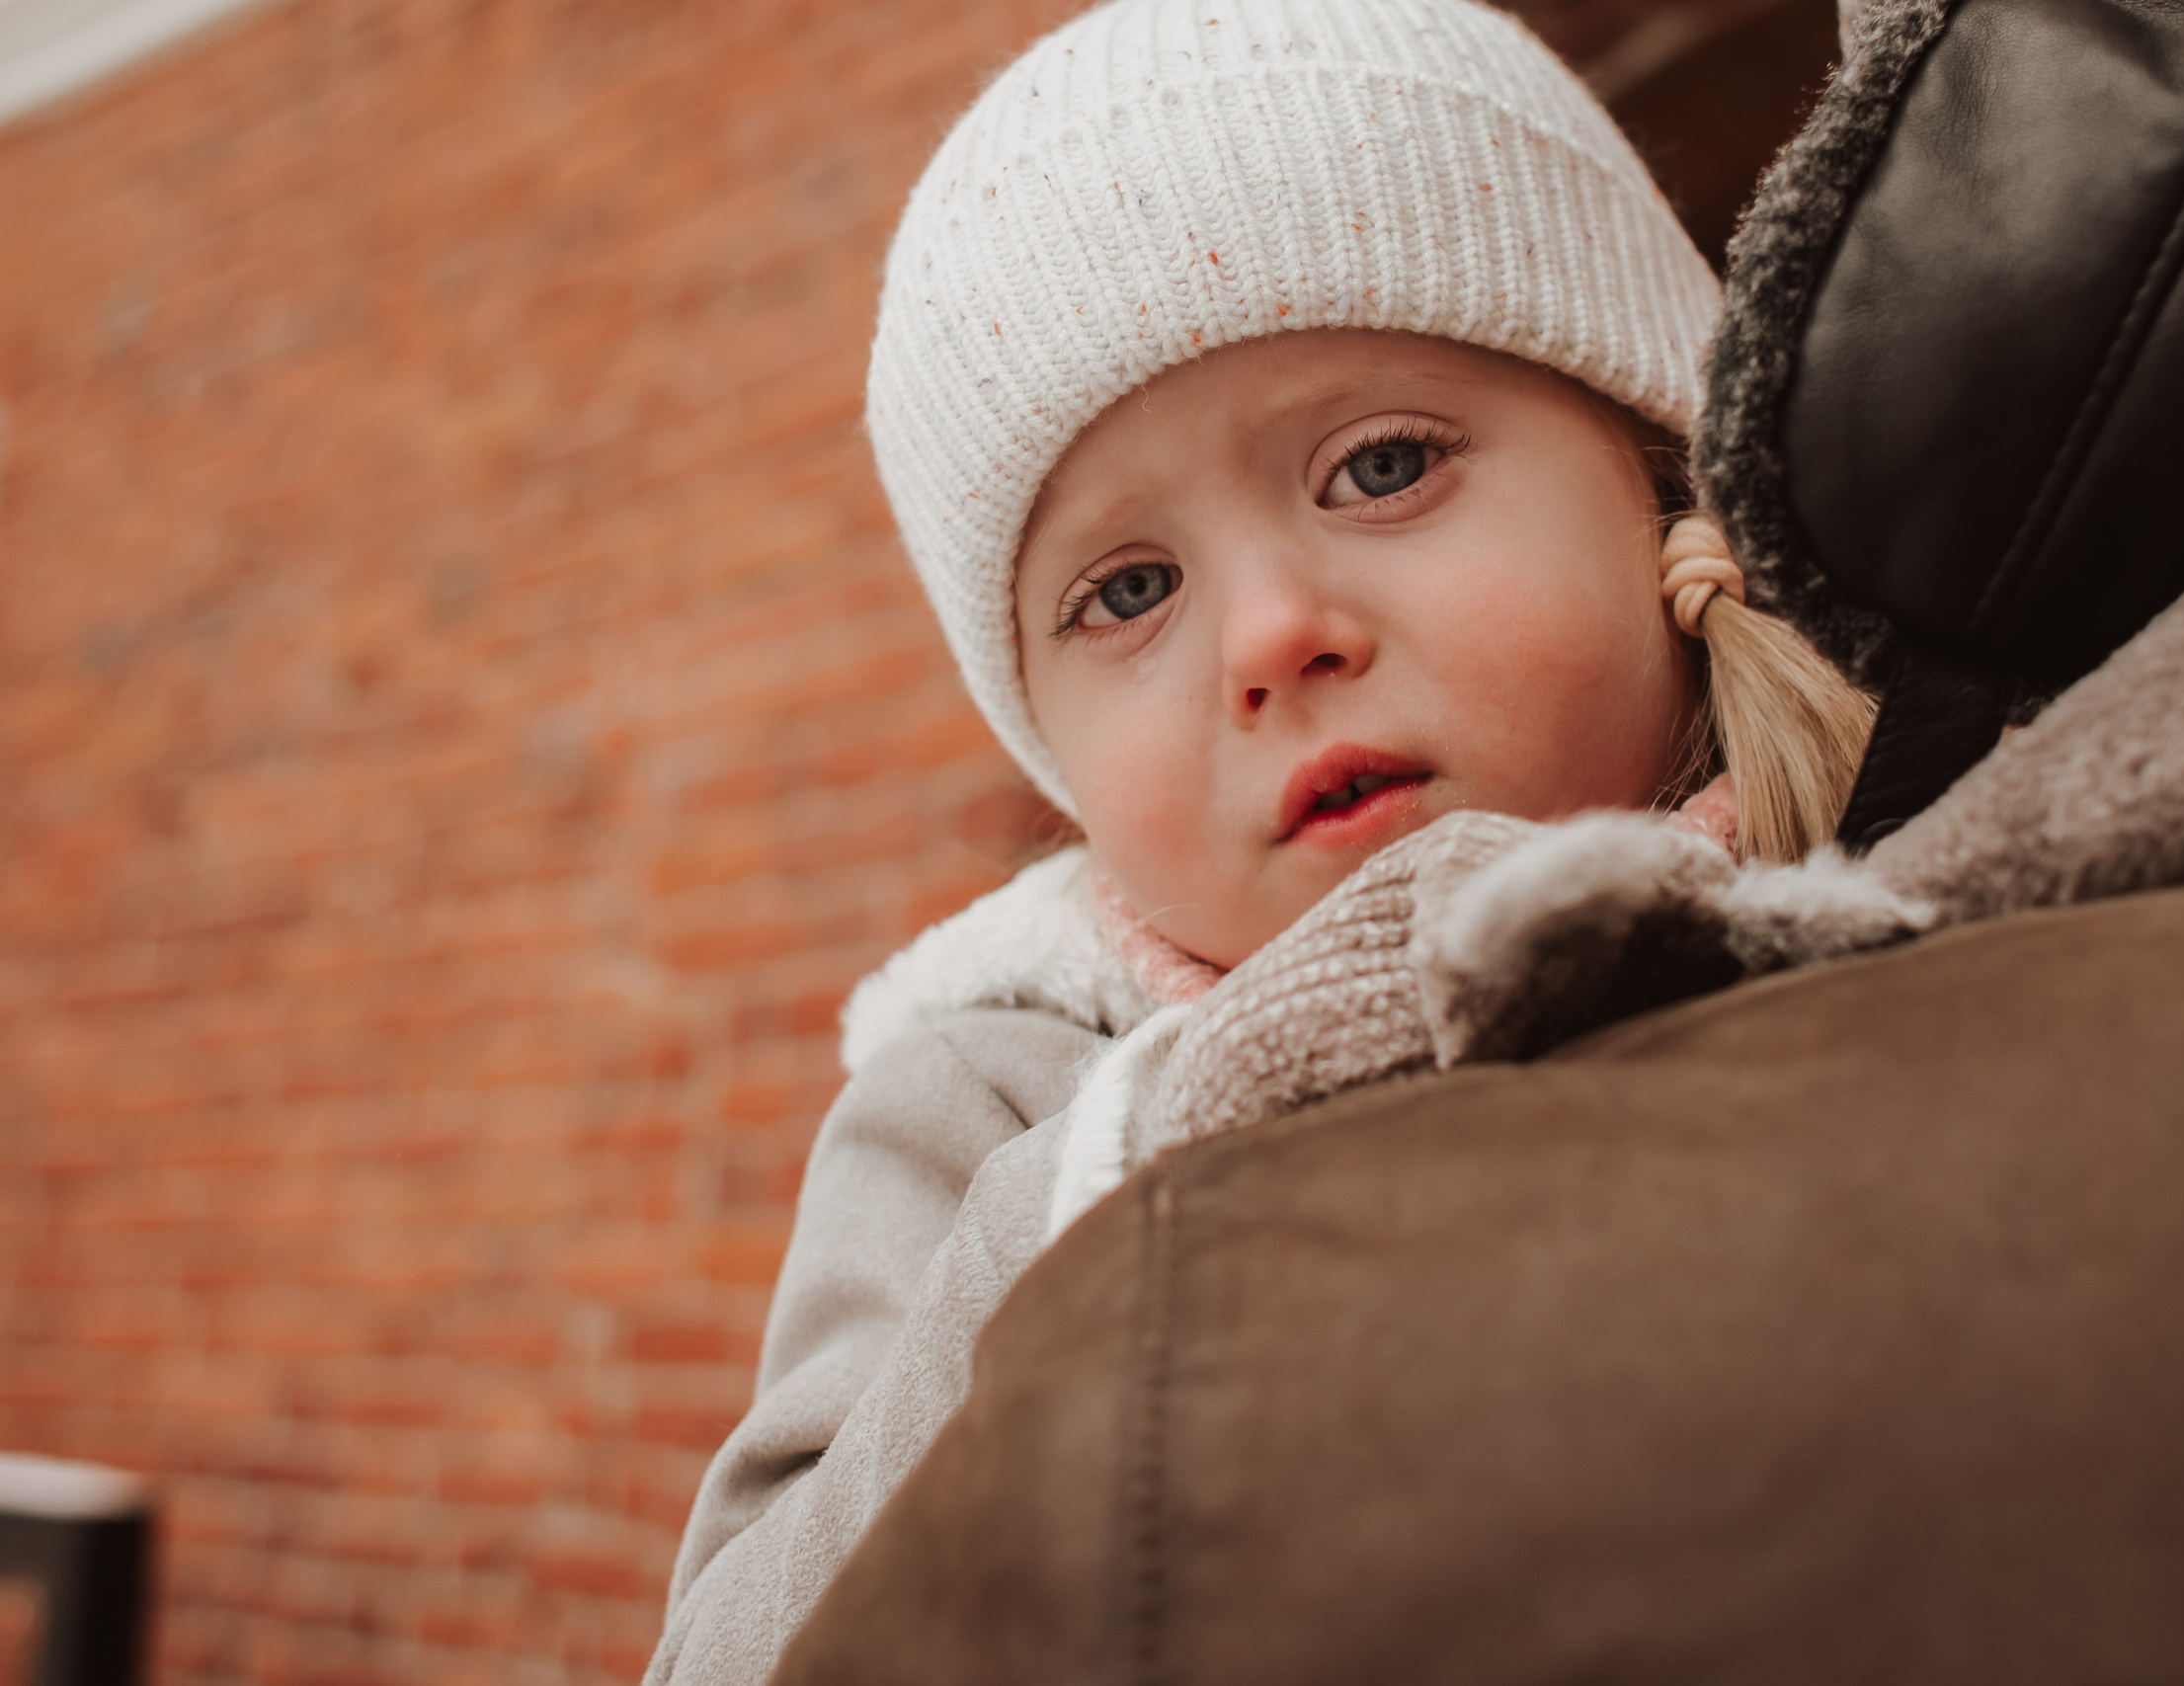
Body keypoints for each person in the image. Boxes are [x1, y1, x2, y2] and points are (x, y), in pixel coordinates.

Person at [644, 1, 1876, 1679]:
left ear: (1662, 478)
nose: (1271, 635)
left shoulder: (1947, 845)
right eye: (1127, 591)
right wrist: (1108, 1194)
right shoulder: (998, 1104)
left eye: (1380, 464)